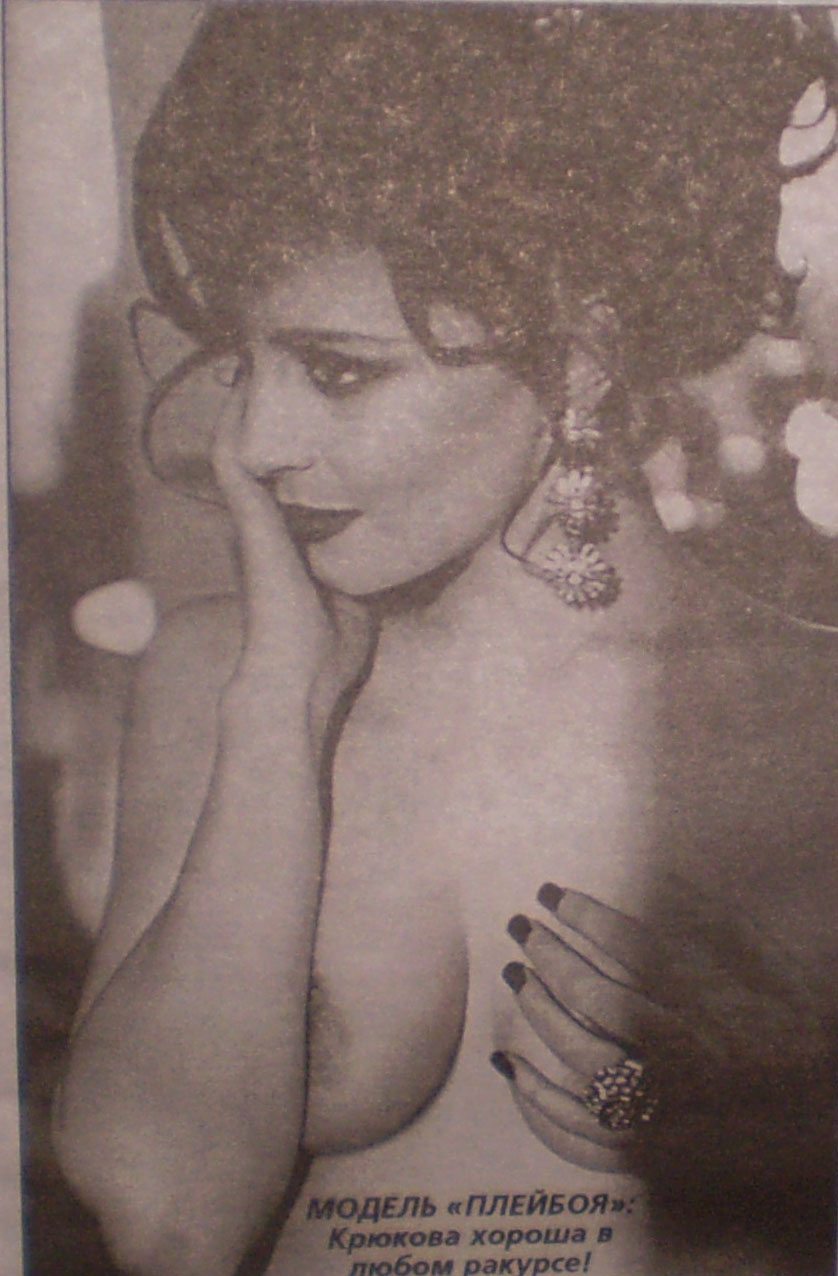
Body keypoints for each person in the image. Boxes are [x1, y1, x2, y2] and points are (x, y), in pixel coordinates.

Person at [52, 7, 838, 1275]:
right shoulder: (218, 679)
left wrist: (783, 1142)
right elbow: (169, 1220)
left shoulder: (813, 716)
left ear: (581, 359)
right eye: (242, 363)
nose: (251, 444)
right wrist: (281, 706)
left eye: (338, 371)